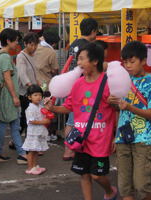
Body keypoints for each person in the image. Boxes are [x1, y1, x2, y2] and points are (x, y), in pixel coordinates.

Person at [46, 43, 117, 200]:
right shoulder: (77, 83)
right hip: (81, 138)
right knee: (84, 174)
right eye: (78, 59)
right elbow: (69, 106)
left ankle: (110, 191)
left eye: (82, 59)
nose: (78, 63)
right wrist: (53, 109)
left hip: (100, 139)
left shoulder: (108, 83)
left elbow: (116, 111)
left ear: (95, 61)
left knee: (97, 176)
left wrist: (115, 136)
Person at [109, 41, 151, 200]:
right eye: (125, 62)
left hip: (142, 138)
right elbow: (119, 109)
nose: (128, 66)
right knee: (124, 186)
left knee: (141, 185)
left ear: (143, 61)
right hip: (122, 137)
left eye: (132, 62)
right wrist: (113, 103)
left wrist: (129, 107)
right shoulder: (122, 79)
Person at [63, 18, 98, 161]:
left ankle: (69, 148)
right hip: (81, 86)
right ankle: (68, 149)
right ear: (93, 31)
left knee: (72, 117)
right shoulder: (88, 47)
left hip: (70, 84)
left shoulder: (74, 44)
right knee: (74, 119)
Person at [0, 28, 27, 164]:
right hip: (8, 95)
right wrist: (15, 96)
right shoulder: (6, 57)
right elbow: (7, 78)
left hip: (3, 95)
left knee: (6, 123)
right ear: (8, 41)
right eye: (16, 40)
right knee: (13, 123)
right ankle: (20, 153)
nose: (17, 43)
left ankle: (2, 151)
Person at [34, 30, 60, 142]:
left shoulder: (35, 48)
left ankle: (37, 133)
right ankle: (48, 134)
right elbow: (55, 69)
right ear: (54, 43)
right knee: (48, 109)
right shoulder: (51, 52)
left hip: (34, 83)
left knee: (36, 109)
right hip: (46, 84)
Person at [22, 85, 50, 175]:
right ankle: (30, 167)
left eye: (40, 95)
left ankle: (35, 165)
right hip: (33, 133)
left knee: (36, 150)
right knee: (31, 151)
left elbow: (44, 112)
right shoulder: (30, 108)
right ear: (29, 97)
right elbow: (31, 121)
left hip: (38, 132)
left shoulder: (40, 106)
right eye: (35, 95)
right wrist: (43, 121)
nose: (38, 97)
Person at [17, 32, 40, 137]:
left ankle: (25, 139)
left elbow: (34, 72)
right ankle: (20, 138)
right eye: (31, 44)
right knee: (25, 117)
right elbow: (22, 74)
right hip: (25, 92)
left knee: (31, 116)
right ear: (25, 44)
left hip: (33, 91)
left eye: (35, 44)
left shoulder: (34, 55)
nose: (34, 47)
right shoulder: (21, 56)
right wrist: (31, 86)